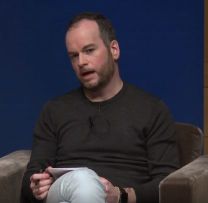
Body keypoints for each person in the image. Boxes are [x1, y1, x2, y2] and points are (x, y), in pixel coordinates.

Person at [21, 12, 179, 203]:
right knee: (84, 180)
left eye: (89, 50)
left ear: (114, 50)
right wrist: (37, 185)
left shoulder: (152, 109)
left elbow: (167, 184)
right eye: (73, 56)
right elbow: (31, 179)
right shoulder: (55, 110)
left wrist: (121, 195)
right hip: (66, 189)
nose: (81, 62)